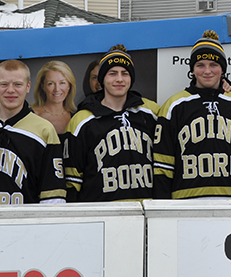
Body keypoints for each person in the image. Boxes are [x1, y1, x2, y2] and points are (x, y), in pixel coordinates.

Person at [153, 31, 231, 199]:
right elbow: (163, 164)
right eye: (200, 65)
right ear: (192, 69)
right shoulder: (174, 106)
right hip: (187, 200)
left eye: (213, 64)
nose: (207, 71)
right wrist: (163, 205)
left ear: (222, 69)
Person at [0, 60, 66, 205]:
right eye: (4, 84)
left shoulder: (44, 130)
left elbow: (53, 196)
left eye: (18, 84)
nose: (10, 90)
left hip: (24, 218)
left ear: (28, 87)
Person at [65, 46, 160, 202]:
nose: (119, 79)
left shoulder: (151, 112)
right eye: (112, 73)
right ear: (102, 79)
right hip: (102, 211)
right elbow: (72, 179)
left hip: (145, 208)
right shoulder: (82, 120)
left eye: (125, 73)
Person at [33, 61, 77, 135]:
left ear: (69, 86)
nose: (57, 89)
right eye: (51, 83)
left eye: (62, 83)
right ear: (43, 86)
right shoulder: (32, 116)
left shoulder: (76, 117)